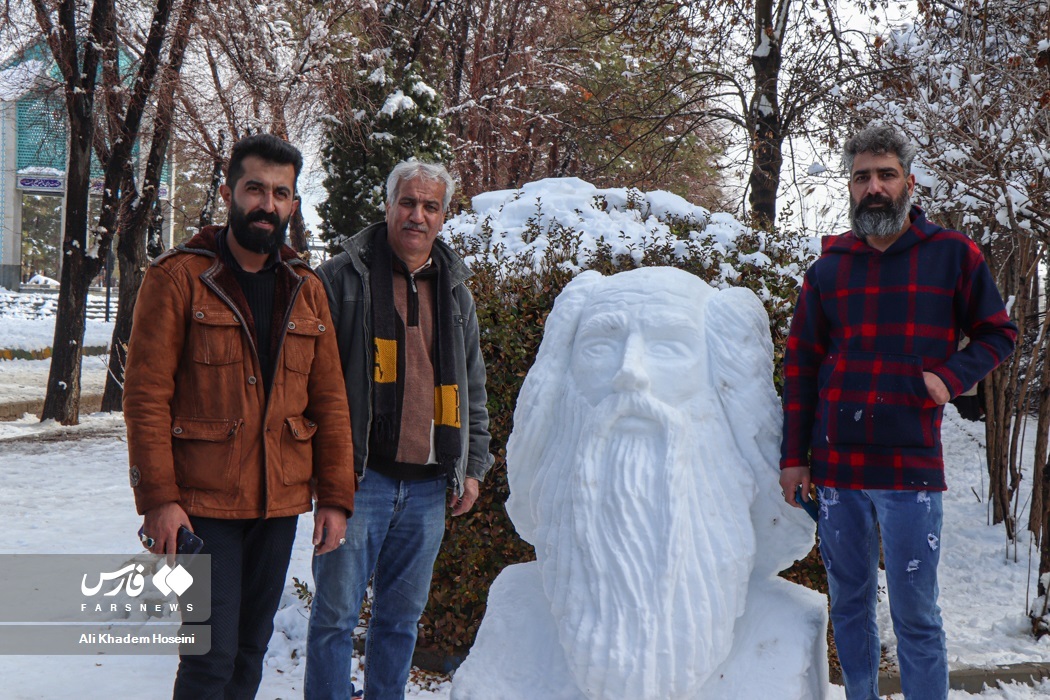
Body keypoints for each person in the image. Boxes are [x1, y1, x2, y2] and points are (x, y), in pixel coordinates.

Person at [453, 267, 824, 700]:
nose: (631, 373)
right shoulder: (516, 606)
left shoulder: (789, 623)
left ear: (720, 381)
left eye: (668, 347)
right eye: (601, 346)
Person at [779, 123, 1017, 700]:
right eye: (862, 177)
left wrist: (949, 378)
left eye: (886, 174)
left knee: (916, 614)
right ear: (850, 187)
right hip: (837, 469)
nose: (874, 187)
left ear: (909, 183)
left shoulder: (952, 255)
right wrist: (794, 458)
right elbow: (801, 364)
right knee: (850, 605)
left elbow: (998, 332)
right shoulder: (830, 267)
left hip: (910, 468)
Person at [123, 133, 356, 699]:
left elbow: (329, 400)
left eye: (281, 193)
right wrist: (159, 500)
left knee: (250, 651)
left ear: (293, 204)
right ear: (229, 193)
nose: (267, 204)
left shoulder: (306, 289)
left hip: (278, 506)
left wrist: (335, 496)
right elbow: (146, 397)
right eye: (255, 189)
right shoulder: (178, 278)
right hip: (203, 508)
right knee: (209, 658)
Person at [305, 160, 493, 699]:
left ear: (443, 216)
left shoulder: (455, 291)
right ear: (388, 206)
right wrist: (326, 477)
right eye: (407, 202)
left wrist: (472, 468)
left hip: (429, 488)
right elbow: (311, 384)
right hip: (359, 481)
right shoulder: (342, 278)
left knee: (399, 622)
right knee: (335, 619)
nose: (417, 215)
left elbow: (472, 387)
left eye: (430, 206)